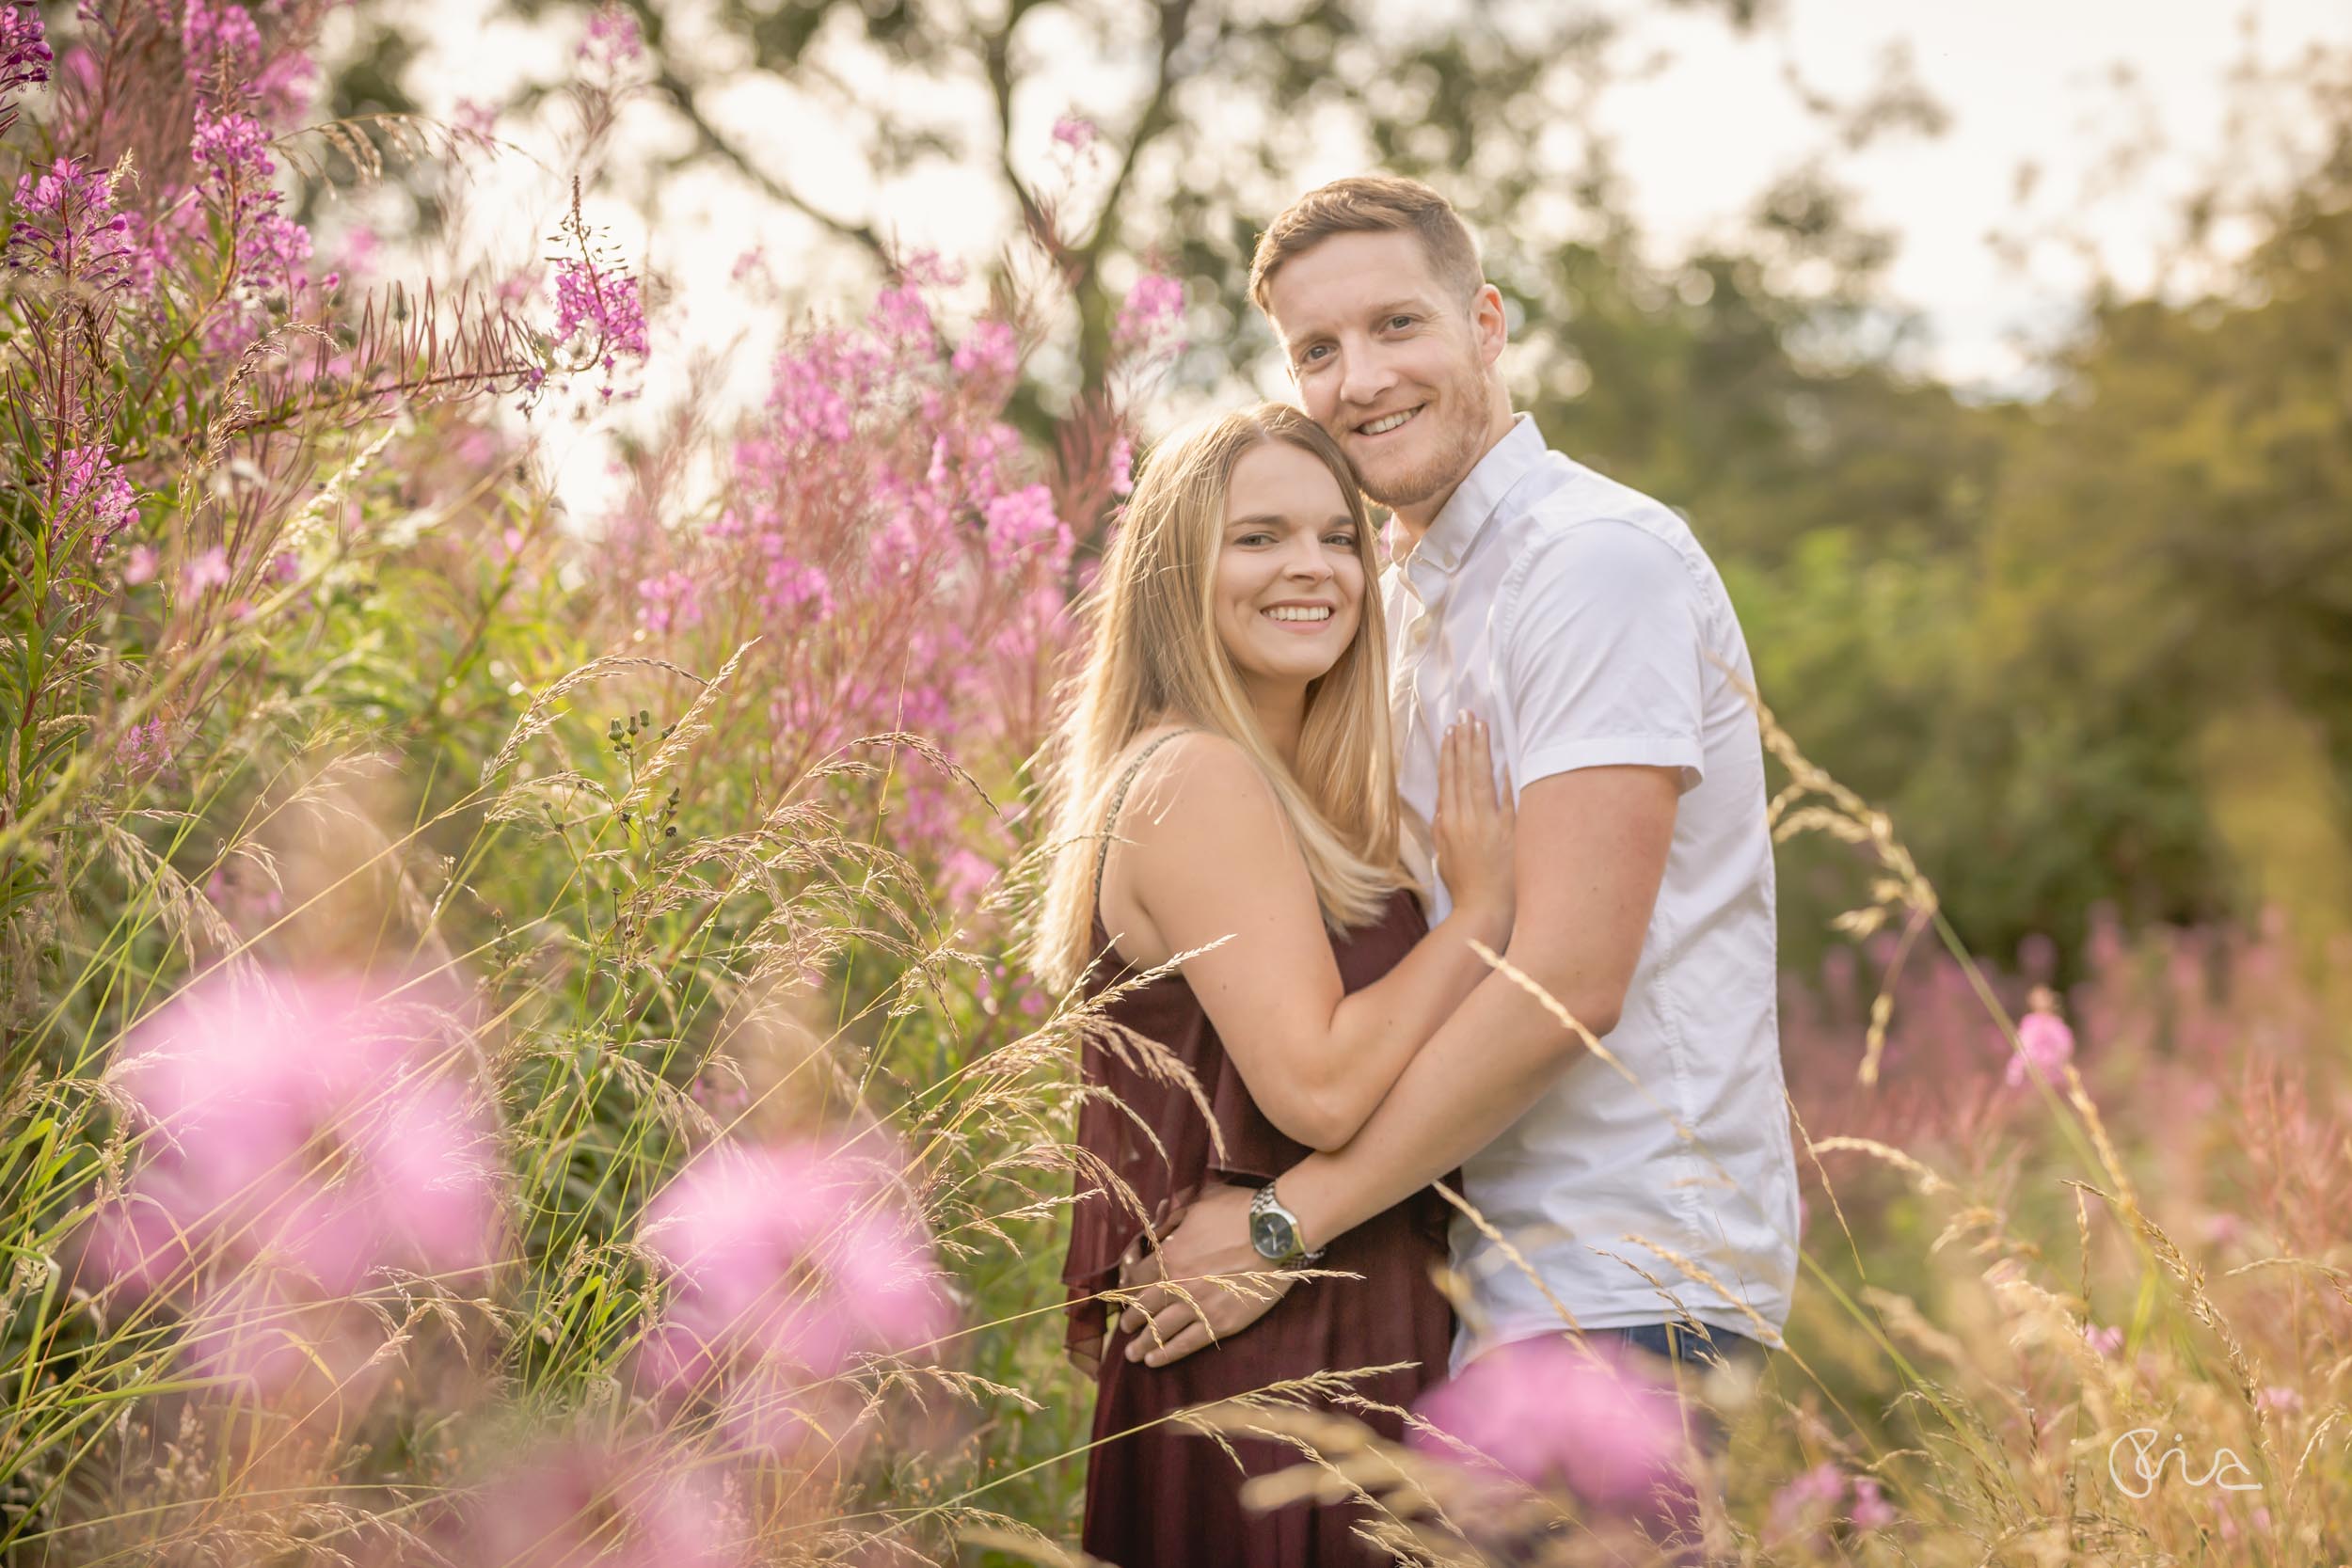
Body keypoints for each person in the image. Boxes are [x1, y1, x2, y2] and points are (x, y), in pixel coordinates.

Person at [1116, 177, 1802, 1534]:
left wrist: (1280, 1225)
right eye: (1317, 350)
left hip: (1624, 1277)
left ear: (1485, 323)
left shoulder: (1592, 564)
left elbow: (1571, 976)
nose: (1360, 377)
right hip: (1472, 1291)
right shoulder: (1393, 593)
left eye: (1396, 325)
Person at [1033, 402, 1517, 1566]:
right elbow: (1319, 1088)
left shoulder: (1285, 792)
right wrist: (1485, 914)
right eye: (1257, 538)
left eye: (1338, 536)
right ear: (1173, 574)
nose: (1310, 567)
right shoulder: (1196, 776)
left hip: (1321, 1342)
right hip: (1269, 1372)